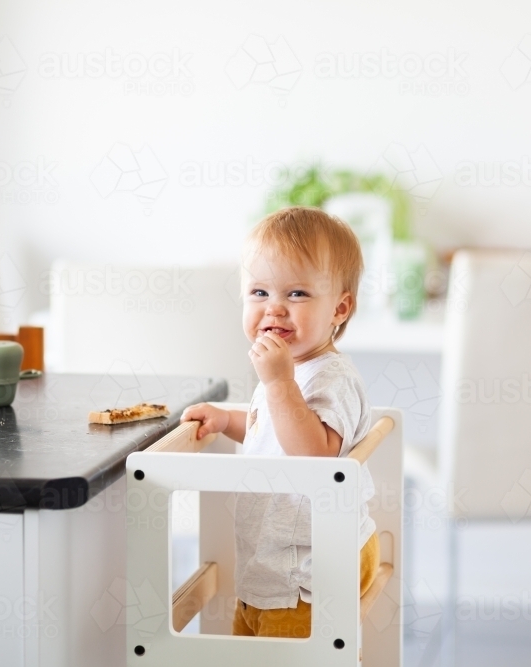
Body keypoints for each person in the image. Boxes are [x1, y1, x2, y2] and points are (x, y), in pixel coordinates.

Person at [181, 206, 379, 638]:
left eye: (297, 294)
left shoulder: (327, 376)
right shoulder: (289, 371)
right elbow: (268, 431)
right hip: (274, 565)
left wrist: (278, 383)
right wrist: (227, 419)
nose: (275, 309)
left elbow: (312, 453)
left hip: (304, 576)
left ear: (340, 308)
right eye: (258, 293)